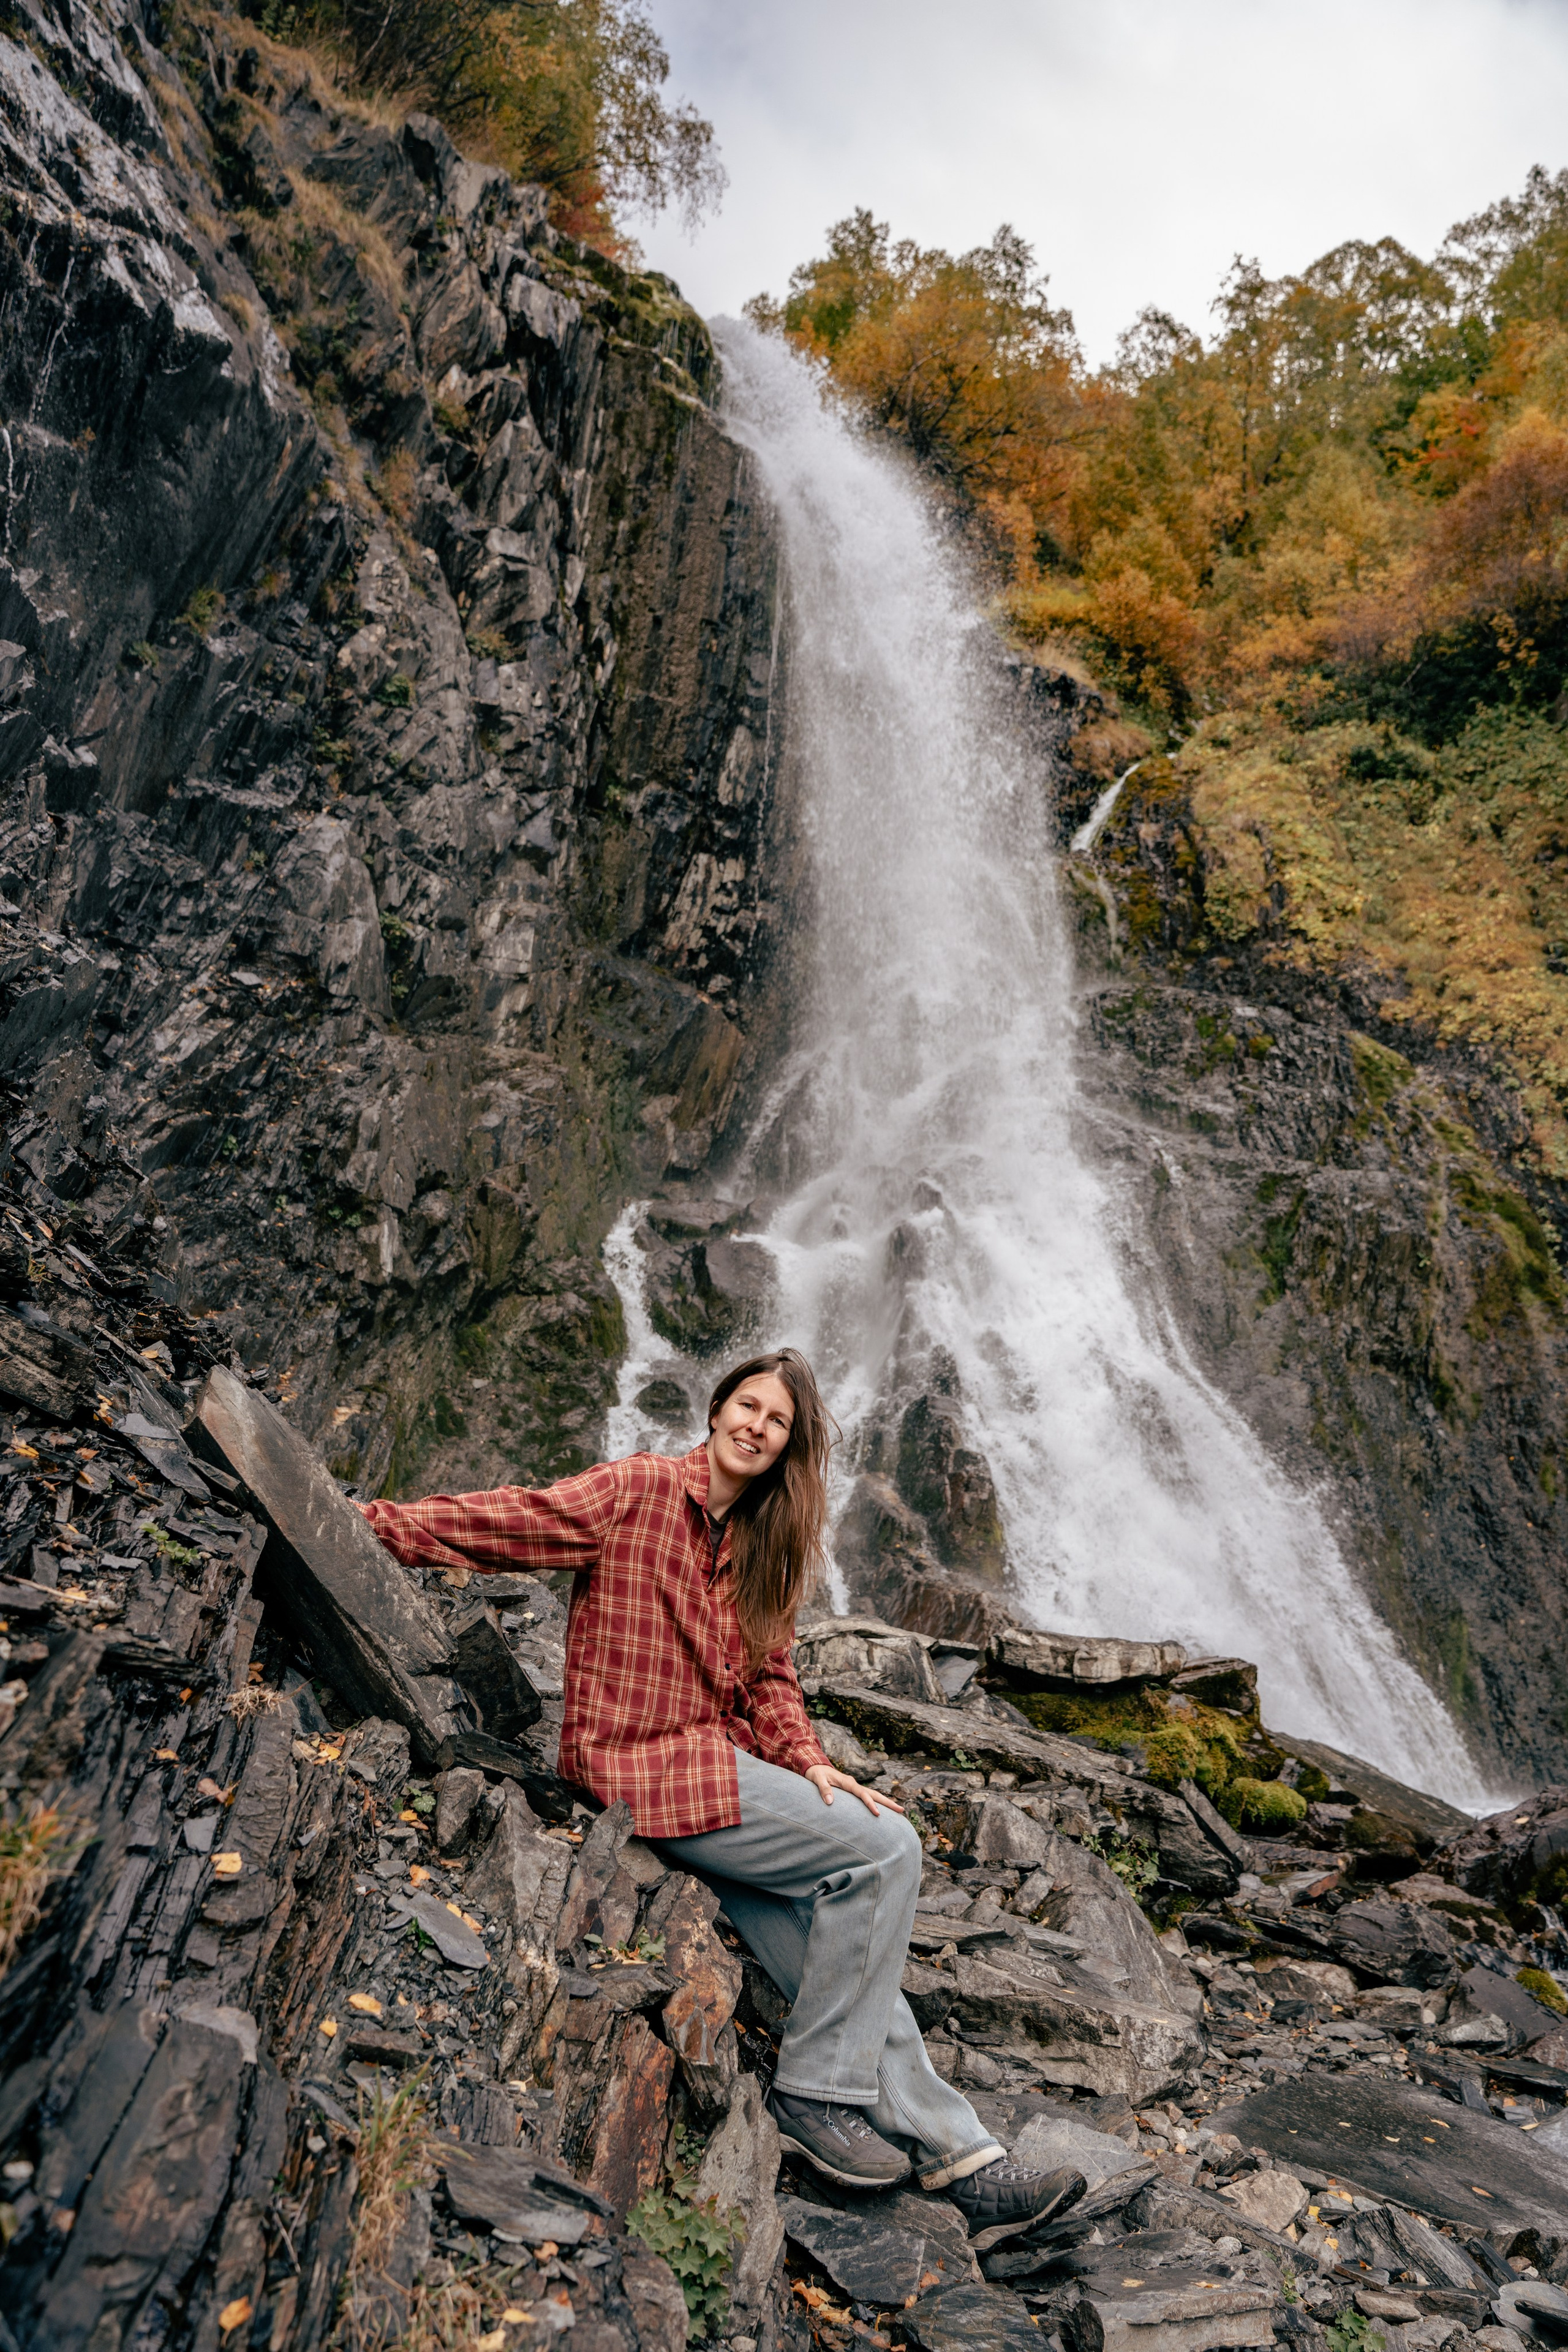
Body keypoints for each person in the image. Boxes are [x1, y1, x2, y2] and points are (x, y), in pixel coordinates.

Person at [360, 1348, 1085, 2239]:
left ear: (788, 1448)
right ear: (715, 1410)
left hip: (708, 1778)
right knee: (889, 1851)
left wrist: (810, 1761)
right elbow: (515, 1518)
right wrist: (370, 1523)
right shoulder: (636, 1491)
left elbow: (772, 1676)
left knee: (841, 1937)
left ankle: (964, 2162)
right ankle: (817, 2099)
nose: (757, 1426)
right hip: (640, 1766)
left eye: (777, 1422)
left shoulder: (760, 1546)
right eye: (748, 1406)